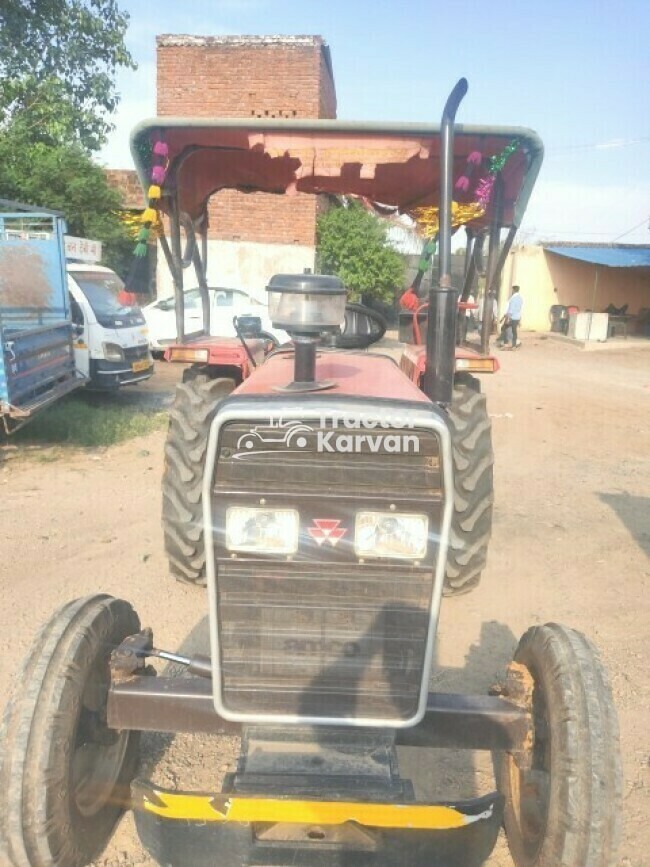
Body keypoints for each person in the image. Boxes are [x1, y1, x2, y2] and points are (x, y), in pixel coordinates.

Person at [497, 285, 523, 349]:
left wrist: (507, 317)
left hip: (512, 317)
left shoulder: (513, 298)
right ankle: (514, 345)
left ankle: (506, 343)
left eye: (512, 290)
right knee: (514, 331)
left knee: (504, 328)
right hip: (517, 317)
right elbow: (520, 308)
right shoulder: (520, 298)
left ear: (513, 290)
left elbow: (511, 309)